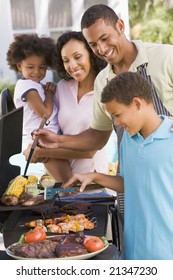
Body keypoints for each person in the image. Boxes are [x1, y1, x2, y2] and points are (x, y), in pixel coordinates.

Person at [30, 5, 173, 218]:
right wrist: (57, 141)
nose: (102, 49)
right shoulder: (102, 80)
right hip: (131, 181)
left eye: (105, 38)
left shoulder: (165, 56)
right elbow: (97, 136)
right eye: (94, 44)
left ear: (120, 26)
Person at [63, 72, 173, 260]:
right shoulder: (128, 140)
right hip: (135, 251)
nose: (116, 123)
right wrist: (93, 176)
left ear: (137, 104)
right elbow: (129, 182)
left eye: (117, 115)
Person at [24, 31, 108, 182]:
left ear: (90, 54)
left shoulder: (104, 91)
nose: (72, 65)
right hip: (62, 180)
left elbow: (90, 151)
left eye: (77, 57)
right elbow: (53, 129)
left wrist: (42, 153)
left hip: (92, 183)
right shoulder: (62, 87)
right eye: (66, 60)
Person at [6, 33, 59, 148]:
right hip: (43, 141)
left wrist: (50, 88)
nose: (36, 72)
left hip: (50, 138)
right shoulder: (27, 87)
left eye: (42, 67)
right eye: (30, 67)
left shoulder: (37, 85)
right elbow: (45, 114)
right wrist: (49, 93)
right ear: (19, 66)